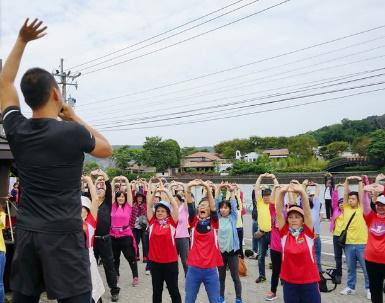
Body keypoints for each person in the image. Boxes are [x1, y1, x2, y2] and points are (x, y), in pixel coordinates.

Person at [0, 19, 112, 302]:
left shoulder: (17, 128)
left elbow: (4, 82)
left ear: (26, 99)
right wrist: (73, 116)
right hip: (64, 234)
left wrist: (22, 40)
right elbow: (106, 149)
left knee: (24, 297)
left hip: (27, 232)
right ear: (55, 93)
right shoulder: (73, 132)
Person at [275, 182, 321, 303]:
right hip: (290, 282)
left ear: (302, 220)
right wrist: (281, 193)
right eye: (290, 217)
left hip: (309, 281)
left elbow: (307, 212)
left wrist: (302, 192)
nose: (293, 219)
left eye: (297, 217)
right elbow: (278, 212)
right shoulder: (285, 234)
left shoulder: (308, 234)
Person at [185, 179, 223, 303]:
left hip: (211, 269)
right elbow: (190, 205)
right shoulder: (193, 222)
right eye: (201, 205)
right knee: (189, 300)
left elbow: (213, 208)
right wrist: (189, 187)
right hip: (193, 269)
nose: (203, 206)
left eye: (205, 205)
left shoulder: (214, 223)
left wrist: (207, 188)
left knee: (215, 300)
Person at [147, 181, 181, 303]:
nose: (160, 213)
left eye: (163, 211)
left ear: (167, 213)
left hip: (170, 263)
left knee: (173, 291)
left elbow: (175, 206)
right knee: (157, 291)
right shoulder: (152, 223)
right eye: (158, 211)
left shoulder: (171, 223)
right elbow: (148, 205)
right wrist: (155, 192)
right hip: (155, 263)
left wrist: (167, 191)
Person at [339, 176, 370, 300]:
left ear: (358, 200)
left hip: (362, 243)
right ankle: (350, 287)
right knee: (351, 268)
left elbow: (362, 194)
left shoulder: (361, 208)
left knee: (366, 268)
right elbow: (345, 193)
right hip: (348, 244)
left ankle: (369, 288)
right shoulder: (346, 208)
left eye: (353, 199)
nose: (351, 200)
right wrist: (347, 181)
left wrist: (359, 181)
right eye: (350, 199)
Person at [93, 171, 120, 301]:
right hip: (92, 240)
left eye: (101, 189)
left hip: (105, 239)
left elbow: (109, 187)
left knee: (109, 265)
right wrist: (94, 181)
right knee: (90, 266)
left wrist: (103, 175)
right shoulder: (91, 204)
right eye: (97, 189)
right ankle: (93, 292)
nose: (99, 191)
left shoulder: (108, 203)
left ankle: (114, 290)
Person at [216, 183, 243, 303]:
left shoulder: (233, 218)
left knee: (235, 277)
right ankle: (221, 297)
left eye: (226, 207)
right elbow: (215, 203)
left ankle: (238, 298)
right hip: (220, 252)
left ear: (229, 209)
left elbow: (233, 203)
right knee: (221, 277)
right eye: (222, 207)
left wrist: (232, 191)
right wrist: (218, 189)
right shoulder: (217, 218)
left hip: (232, 252)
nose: (223, 209)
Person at [110, 176, 139, 287]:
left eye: (122, 197)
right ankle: (116, 275)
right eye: (119, 197)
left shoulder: (128, 206)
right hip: (113, 236)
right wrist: (113, 181)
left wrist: (126, 181)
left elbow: (130, 194)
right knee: (115, 258)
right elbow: (112, 192)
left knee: (130, 257)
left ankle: (135, 276)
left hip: (125, 236)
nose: (121, 198)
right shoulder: (113, 206)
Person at [81, 176, 105, 303]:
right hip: (73, 258)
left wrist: (89, 181)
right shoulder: (70, 222)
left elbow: (95, 199)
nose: (80, 210)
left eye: (82, 208)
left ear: (87, 210)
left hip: (88, 256)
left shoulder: (90, 221)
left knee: (92, 286)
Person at [363, 179, 385, 303]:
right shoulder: (371, 217)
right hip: (371, 260)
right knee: (375, 290)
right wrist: (365, 191)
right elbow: (365, 205)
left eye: (383, 205)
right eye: (378, 205)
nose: (380, 207)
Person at [254, 173, 278, 284]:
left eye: (268, 195)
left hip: (273, 234)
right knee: (260, 256)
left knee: (276, 257)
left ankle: (279, 276)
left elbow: (277, 189)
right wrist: (260, 177)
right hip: (262, 233)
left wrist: (273, 178)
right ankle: (262, 276)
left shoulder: (274, 204)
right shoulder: (260, 203)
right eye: (265, 195)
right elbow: (256, 188)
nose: (266, 197)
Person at [303, 180, 323, 273]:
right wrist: (305, 186)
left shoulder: (316, 208)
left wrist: (315, 184)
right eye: (309, 197)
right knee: (307, 256)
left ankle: (319, 273)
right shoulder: (304, 210)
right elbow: (302, 194)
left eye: (312, 196)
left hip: (316, 237)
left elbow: (318, 192)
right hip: (306, 237)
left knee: (317, 256)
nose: (311, 198)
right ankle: (308, 271)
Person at [329, 183, 345, 285]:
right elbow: (334, 200)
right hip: (336, 236)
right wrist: (336, 189)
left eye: (343, 202)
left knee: (350, 258)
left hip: (347, 237)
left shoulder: (349, 211)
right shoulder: (336, 210)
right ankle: (338, 274)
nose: (341, 204)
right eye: (340, 202)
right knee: (337, 257)